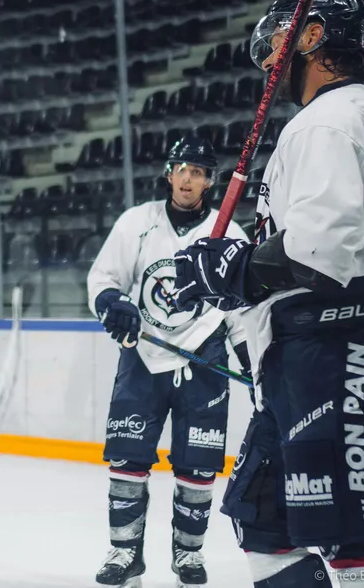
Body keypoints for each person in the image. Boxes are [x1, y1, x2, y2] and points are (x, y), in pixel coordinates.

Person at [172, 0, 364, 587]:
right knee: (264, 523)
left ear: (312, 38)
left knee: (362, 554)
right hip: (309, 354)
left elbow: (320, 248)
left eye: (274, 49)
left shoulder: (327, 122)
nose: (267, 67)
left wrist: (233, 270)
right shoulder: (352, 116)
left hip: (332, 354)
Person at [88, 136, 252, 587]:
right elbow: (104, 277)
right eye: (182, 169)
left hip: (203, 358)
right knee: (126, 461)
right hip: (141, 357)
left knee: (197, 466)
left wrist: (252, 361)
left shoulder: (228, 234)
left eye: (198, 172)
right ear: (168, 173)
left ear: (210, 183)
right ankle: (124, 552)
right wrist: (112, 304)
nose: (188, 179)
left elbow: (240, 310)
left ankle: (189, 555)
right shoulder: (136, 222)